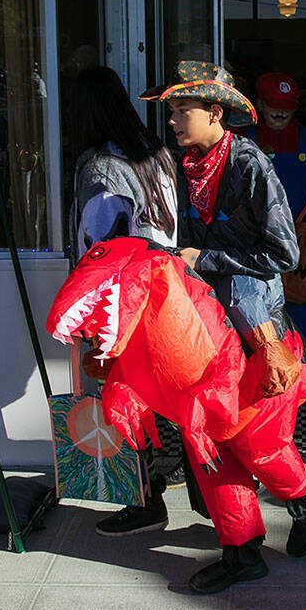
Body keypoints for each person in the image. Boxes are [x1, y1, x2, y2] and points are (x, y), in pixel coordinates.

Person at [138, 60, 306, 593]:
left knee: (255, 441)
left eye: (183, 110)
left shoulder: (248, 164)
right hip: (203, 327)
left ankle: (305, 495)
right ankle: (242, 549)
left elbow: (284, 253)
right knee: (208, 440)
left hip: (253, 334)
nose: (174, 121)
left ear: (215, 112)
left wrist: (205, 258)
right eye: (171, 111)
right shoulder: (186, 165)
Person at [65, 65, 183, 538]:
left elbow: (99, 246)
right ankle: (166, 488)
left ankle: (145, 498)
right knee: (162, 396)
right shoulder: (156, 154)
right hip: (166, 291)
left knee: (124, 399)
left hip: (120, 300)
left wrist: (86, 313)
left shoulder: (99, 169)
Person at [243, 72, 306, 346]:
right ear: (260, 104)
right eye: (273, 104)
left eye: (288, 106)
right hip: (258, 236)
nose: (281, 112)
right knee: (258, 303)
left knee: (300, 299)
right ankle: (269, 367)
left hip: (300, 235)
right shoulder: (246, 138)